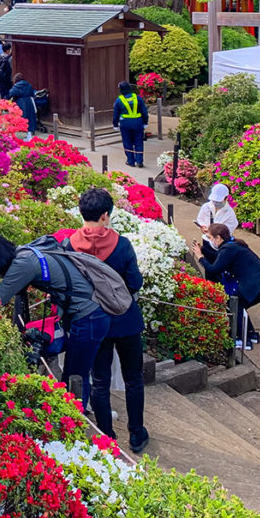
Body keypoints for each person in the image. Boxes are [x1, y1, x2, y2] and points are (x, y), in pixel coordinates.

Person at [0, 233, 109, 410]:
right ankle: (77, 418)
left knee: (75, 374)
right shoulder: (26, 252)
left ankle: (76, 424)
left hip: (89, 315)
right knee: (76, 371)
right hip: (91, 312)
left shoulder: (23, 265)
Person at [65, 188, 149, 453]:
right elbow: (135, 281)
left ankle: (107, 437)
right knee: (133, 378)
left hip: (91, 321)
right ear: (105, 216)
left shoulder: (69, 245)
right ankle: (136, 433)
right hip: (125, 320)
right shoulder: (121, 245)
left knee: (99, 381)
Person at [192, 224, 260, 349]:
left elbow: (214, 269)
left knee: (235, 305)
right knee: (239, 304)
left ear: (218, 238)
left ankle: (243, 340)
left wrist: (200, 257)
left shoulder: (228, 249)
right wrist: (203, 250)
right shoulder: (232, 246)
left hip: (259, 285)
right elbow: (220, 260)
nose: (209, 240)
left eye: (209, 238)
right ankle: (251, 335)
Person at [196, 183, 239, 262]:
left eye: (218, 200)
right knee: (207, 263)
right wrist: (202, 226)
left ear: (226, 198)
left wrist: (212, 233)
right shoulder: (206, 206)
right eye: (214, 200)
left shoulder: (230, 214)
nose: (215, 202)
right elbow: (200, 218)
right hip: (206, 241)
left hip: (219, 245)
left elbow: (227, 233)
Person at [112, 81, 148, 167]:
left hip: (125, 124)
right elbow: (144, 111)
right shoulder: (137, 98)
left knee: (127, 142)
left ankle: (130, 161)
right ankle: (139, 161)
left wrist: (115, 125)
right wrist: (145, 122)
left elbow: (115, 114)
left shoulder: (119, 100)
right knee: (139, 142)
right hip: (138, 123)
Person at [8, 72, 37, 139]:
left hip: (20, 102)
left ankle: (20, 132)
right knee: (30, 117)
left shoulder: (16, 86)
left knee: (22, 117)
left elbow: (11, 94)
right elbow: (32, 93)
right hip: (29, 101)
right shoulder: (28, 85)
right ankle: (30, 133)